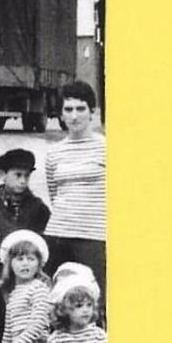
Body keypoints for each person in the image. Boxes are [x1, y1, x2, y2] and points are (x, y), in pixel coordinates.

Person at [43, 81, 107, 306]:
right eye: (68, 109)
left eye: (80, 109)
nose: (74, 116)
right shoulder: (54, 153)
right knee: (57, 302)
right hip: (58, 236)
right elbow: (54, 193)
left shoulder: (106, 148)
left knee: (94, 302)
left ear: (92, 112)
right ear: (61, 114)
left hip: (94, 238)